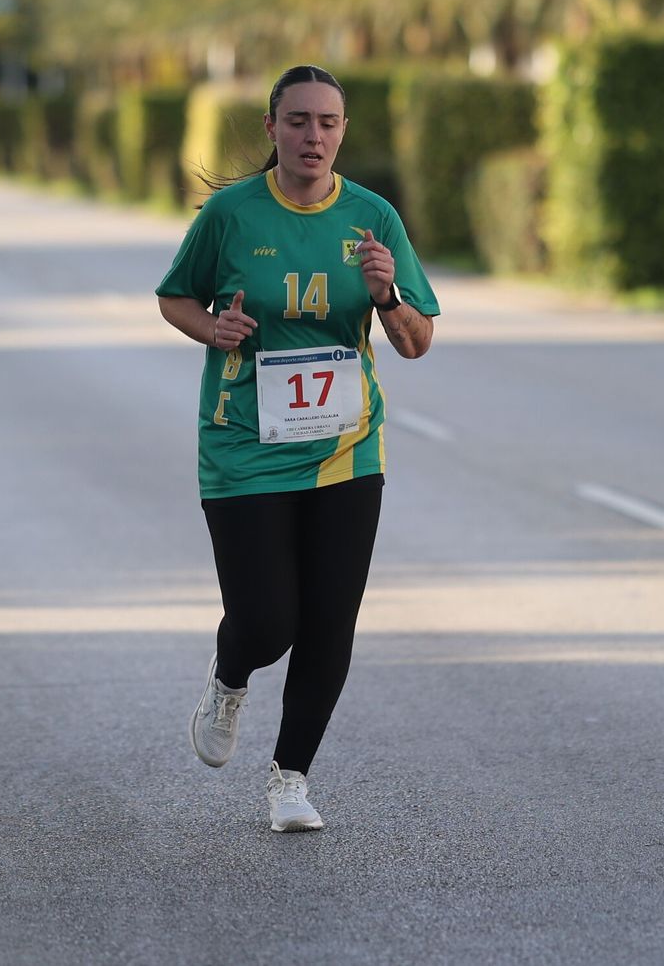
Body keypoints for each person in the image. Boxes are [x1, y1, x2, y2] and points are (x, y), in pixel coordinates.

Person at [155, 64, 439, 832]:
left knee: (329, 620)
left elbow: (415, 342)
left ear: (344, 131)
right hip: (243, 443)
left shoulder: (374, 218)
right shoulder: (232, 214)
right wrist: (211, 328)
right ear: (273, 128)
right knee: (267, 618)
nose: (314, 136)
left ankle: (291, 777)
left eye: (329, 122)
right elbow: (175, 294)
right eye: (299, 121)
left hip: (346, 448)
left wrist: (386, 295)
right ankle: (230, 675)